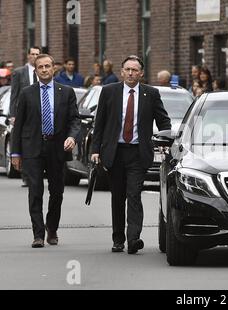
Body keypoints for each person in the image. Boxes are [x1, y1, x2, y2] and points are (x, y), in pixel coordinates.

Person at [91, 55, 171, 254]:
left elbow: (163, 121)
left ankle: (133, 238)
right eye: (127, 69)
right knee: (118, 197)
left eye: (135, 70)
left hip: (138, 152)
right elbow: (99, 124)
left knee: (133, 194)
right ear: (122, 71)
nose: (131, 73)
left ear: (141, 73)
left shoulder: (151, 94)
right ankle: (118, 239)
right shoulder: (109, 92)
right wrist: (95, 150)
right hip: (115, 152)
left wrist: (165, 141)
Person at [11, 54, 81, 248]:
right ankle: (38, 234)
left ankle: (52, 228)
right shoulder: (27, 93)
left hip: (57, 147)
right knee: (35, 191)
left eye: (47, 66)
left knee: (57, 191)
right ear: (35, 71)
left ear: (53, 69)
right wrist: (15, 153)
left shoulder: (66, 92)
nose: (44, 70)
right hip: (32, 147)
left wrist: (72, 137)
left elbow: (75, 120)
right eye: (40, 67)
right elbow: (19, 125)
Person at [10, 46, 41, 188]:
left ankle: (36, 171)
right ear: (28, 55)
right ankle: (26, 175)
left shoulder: (43, 71)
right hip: (23, 112)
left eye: (37, 54)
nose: (35, 56)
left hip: (39, 112)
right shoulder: (19, 72)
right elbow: (14, 95)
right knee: (25, 141)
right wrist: (13, 115)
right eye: (33, 54)